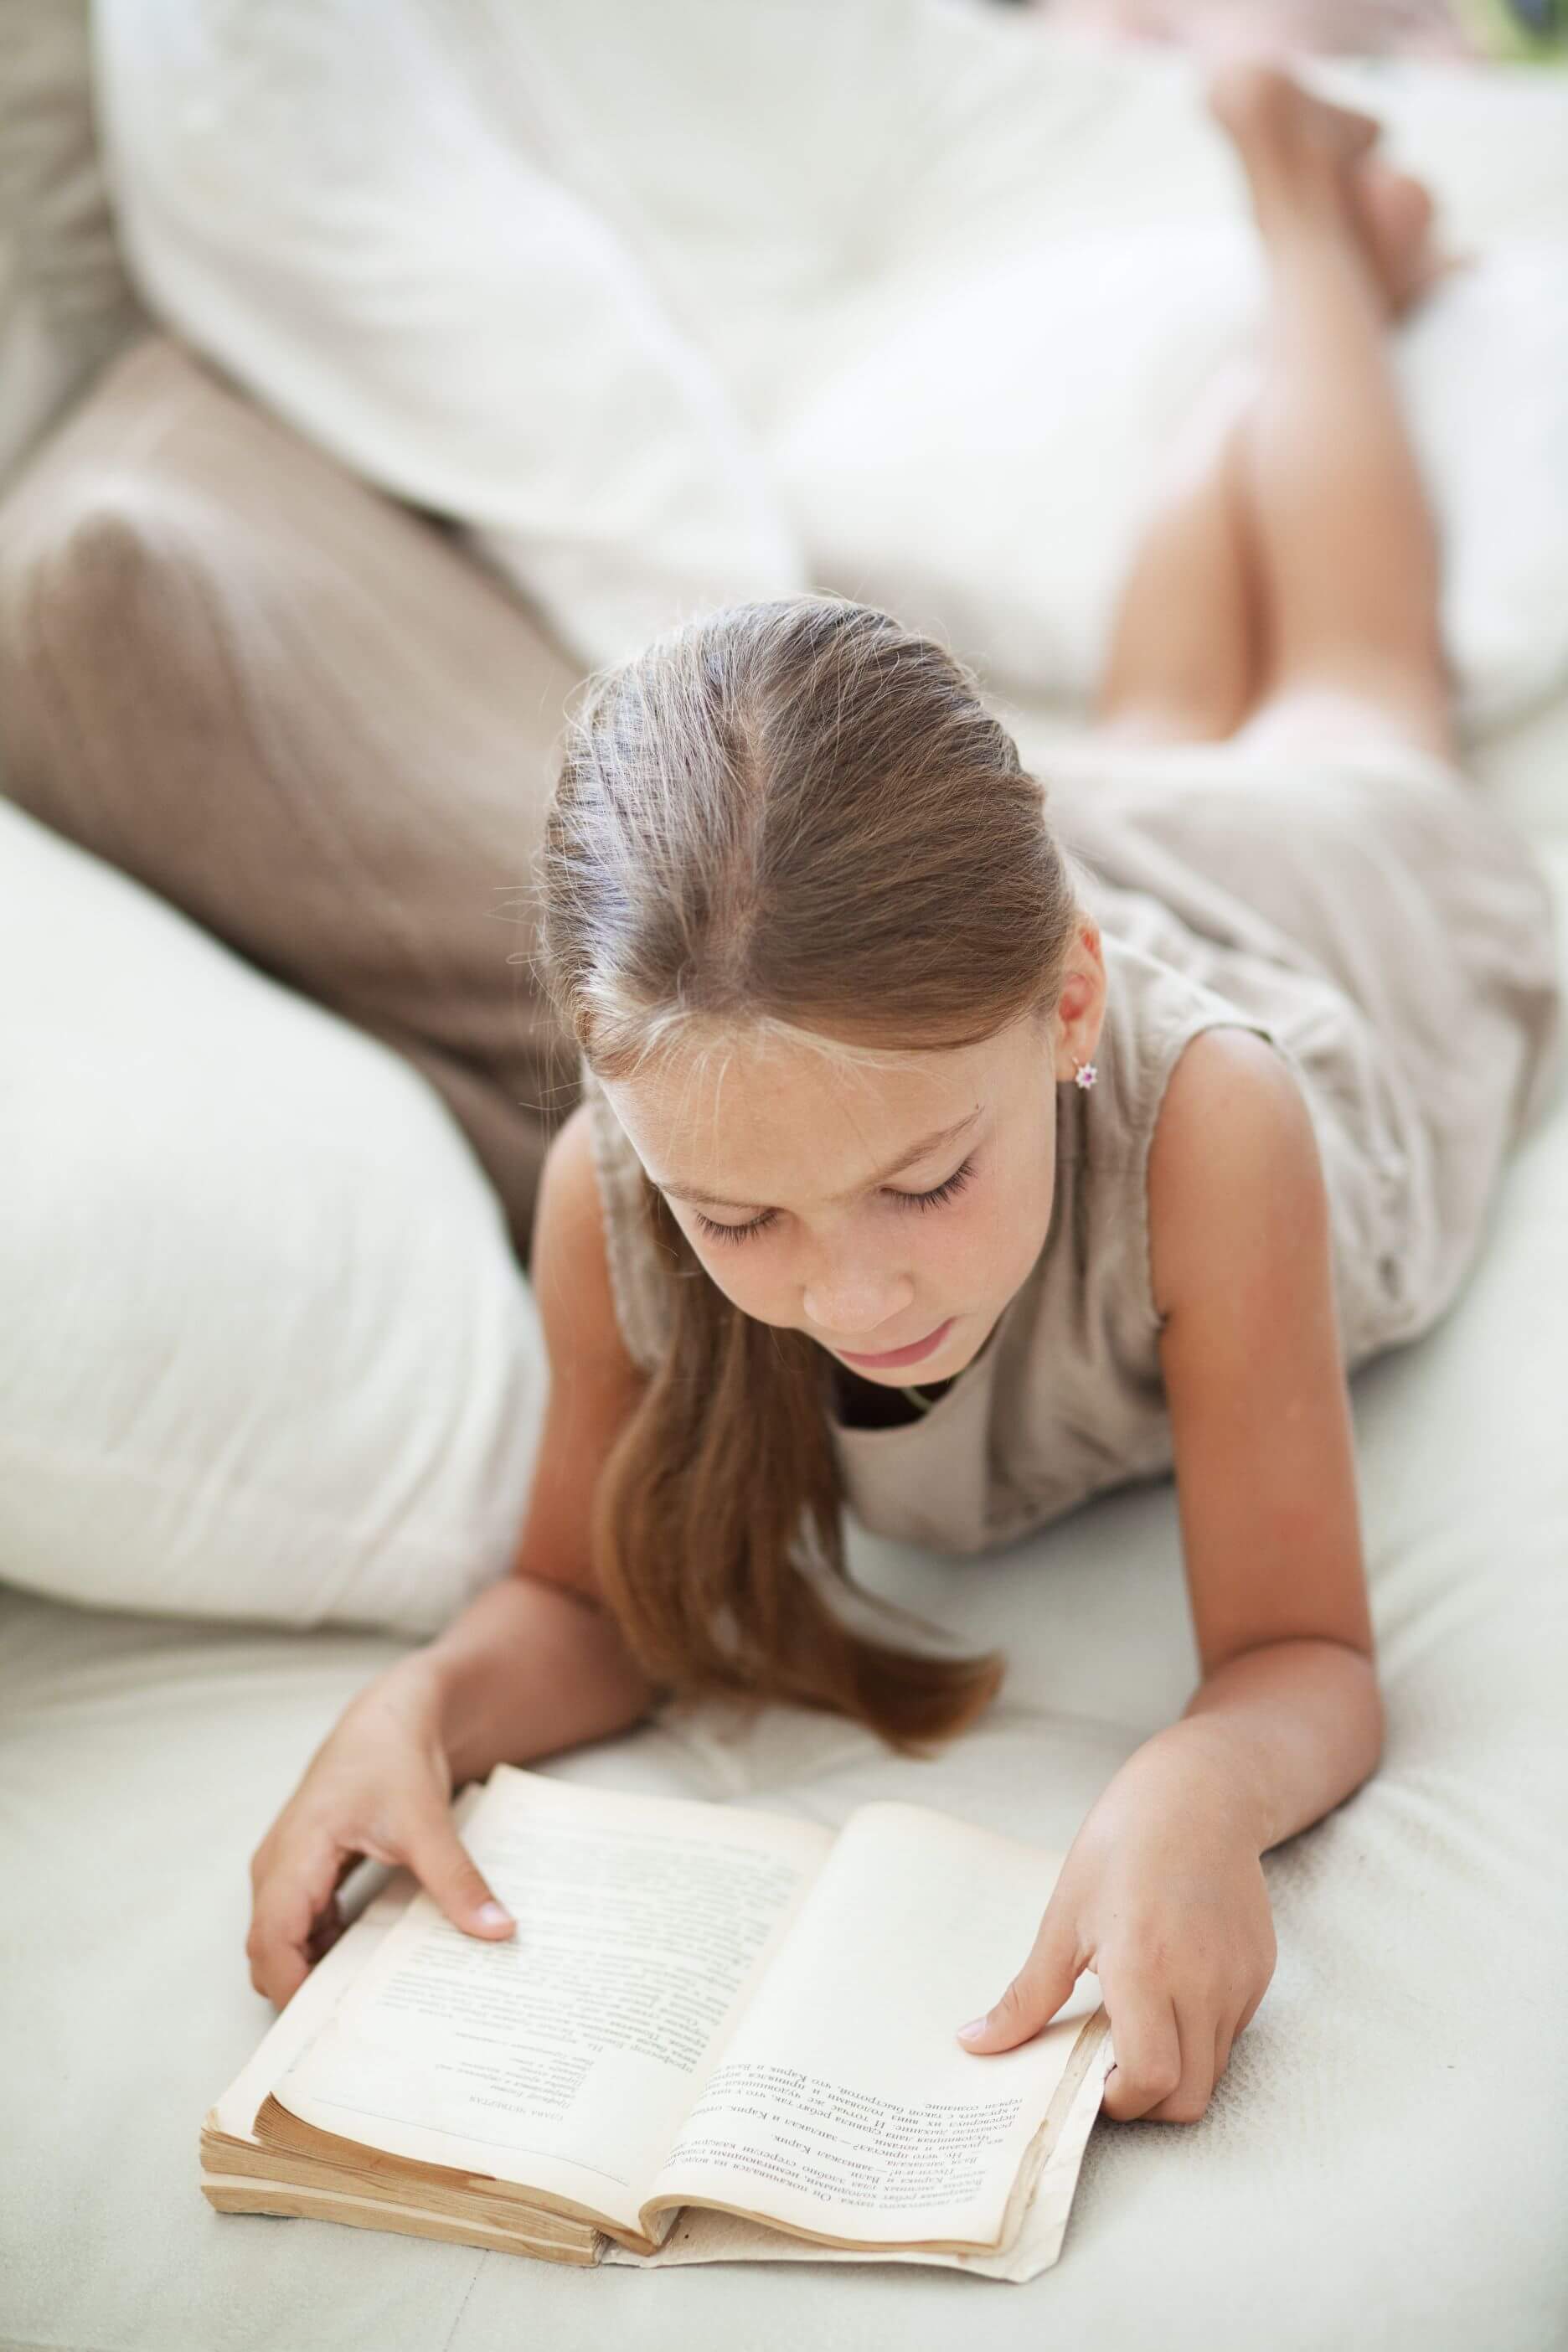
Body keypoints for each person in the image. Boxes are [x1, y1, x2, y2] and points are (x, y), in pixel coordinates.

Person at [244, 64, 1561, 2130]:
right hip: (978, 941)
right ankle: (1290, 304)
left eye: (923, 1186)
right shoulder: (631, 1180)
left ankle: (1306, 218)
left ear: (1063, 1015)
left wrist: (1192, 1786)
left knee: (1343, 702)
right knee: (1148, 726)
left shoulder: (1212, 1130)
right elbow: (579, 1605)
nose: (855, 1296)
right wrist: (423, 1706)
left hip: (1313, 917)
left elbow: (1305, 1656)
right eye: (743, 1224)